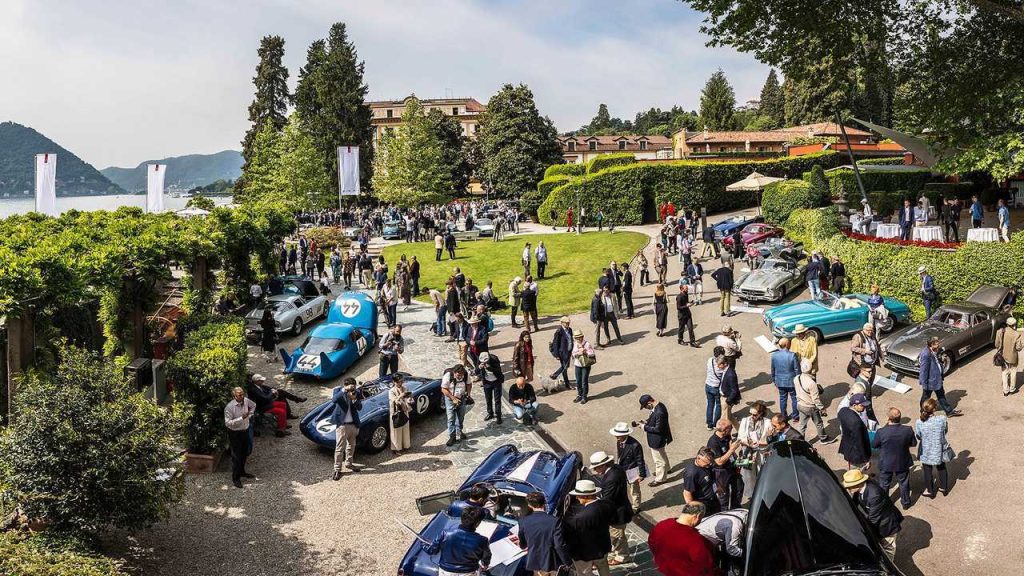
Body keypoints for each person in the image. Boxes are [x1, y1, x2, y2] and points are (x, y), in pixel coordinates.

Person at [842, 469, 903, 562]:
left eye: (849, 486)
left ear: (858, 484)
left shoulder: (874, 495)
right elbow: (855, 502)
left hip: (887, 524)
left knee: (888, 547)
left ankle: (889, 565)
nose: (848, 489)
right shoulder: (859, 489)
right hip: (879, 520)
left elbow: (873, 519)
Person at [562, 480, 616, 576]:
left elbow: (570, 537)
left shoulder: (579, 518)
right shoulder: (607, 504)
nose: (577, 498)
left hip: (584, 553)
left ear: (586, 496)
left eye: (578, 495)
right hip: (602, 546)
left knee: (584, 573)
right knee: (603, 566)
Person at [589, 451, 632, 566]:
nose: (596, 471)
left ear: (603, 465)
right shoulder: (617, 468)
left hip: (617, 513)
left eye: (596, 468)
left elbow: (607, 499)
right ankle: (619, 552)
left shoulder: (611, 479)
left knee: (617, 535)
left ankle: (622, 556)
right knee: (616, 535)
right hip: (620, 507)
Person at [424, 506, 492, 576]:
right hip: (468, 573)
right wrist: (485, 564)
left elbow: (432, 550)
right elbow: (486, 557)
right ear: (478, 523)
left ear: (461, 519)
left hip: (446, 572)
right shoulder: (482, 540)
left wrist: (423, 544)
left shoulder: (446, 534)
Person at [517, 492, 571, 576]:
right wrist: (567, 562)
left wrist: (522, 545)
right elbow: (559, 545)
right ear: (544, 503)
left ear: (529, 505)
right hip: (551, 561)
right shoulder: (555, 521)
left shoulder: (523, 521)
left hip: (534, 561)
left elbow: (523, 542)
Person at [872, 407, 917, 509]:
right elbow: (913, 443)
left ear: (888, 418)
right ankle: (905, 503)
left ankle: (884, 504)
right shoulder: (908, 430)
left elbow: (874, 445)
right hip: (902, 461)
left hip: (886, 462)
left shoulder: (881, 432)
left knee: (884, 484)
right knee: (904, 483)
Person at [916, 398, 952, 498]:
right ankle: (944, 488)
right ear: (934, 409)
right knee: (942, 468)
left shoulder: (919, 422)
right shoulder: (942, 419)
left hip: (926, 450)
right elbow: (945, 431)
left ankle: (930, 490)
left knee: (927, 471)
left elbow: (918, 436)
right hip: (939, 448)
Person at [794, 359, 836, 444]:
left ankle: (799, 441)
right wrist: (822, 408)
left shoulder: (796, 378)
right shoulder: (811, 383)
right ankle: (823, 438)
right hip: (810, 407)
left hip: (800, 404)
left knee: (802, 425)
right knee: (818, 423)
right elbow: (816, 399)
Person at [697, 508, 748, 576]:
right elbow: (731, 549)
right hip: (702, 540)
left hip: (705, 529)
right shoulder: (736, 526)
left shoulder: (745, 511)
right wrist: (749, 555)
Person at [610, 422, 647, 514]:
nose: (617, 437)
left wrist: (642, 474)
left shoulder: (635, 445)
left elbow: (640, 460)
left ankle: (636, 507)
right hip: (622, 468)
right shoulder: (619, 441)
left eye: (619, 435)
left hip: (632, 470)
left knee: (634, 489)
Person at [919, 336, 963, 415]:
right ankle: (923, 410)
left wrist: (941, 360)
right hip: (930, 381)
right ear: (932, 344)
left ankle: (949, 411)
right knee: (925, 397)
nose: (939, 344)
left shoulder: (935, 350)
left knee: (941, 395)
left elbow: (937, 360)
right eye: (937, 343)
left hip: (937, 379)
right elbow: (923, 370)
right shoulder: (926, 354)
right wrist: (923, 383)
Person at [330, 378, 363, 481]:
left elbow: (359, 407)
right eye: (351, 386)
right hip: (342, 425)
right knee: (339, 448)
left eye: (354, 386)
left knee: (351, 446)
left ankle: (349, 463)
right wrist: (344, 390)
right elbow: (334, 400)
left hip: (353, 424)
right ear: (346, 385)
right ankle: (337, 469)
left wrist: (354, 399)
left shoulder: (356, 393)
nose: (353, 388)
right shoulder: (338, 391)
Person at [737, 401, 771, 499]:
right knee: (748, 474)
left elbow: (768, 440)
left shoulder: (767, 422)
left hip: (761, 451)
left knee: (762, 471)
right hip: (748, 451)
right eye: (750, 413)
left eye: (754, 414)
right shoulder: (745, 420)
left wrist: (760, 442)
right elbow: (740, 436)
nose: (752, 416)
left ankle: (762, 491)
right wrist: (748, 443)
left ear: (761, 413)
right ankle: (751, 494)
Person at [224, 387, 257, 488]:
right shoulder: (229, 407)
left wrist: (250, 415)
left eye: (243, 394)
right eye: (239, 395)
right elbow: (228, 423)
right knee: (236, 456)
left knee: (245, 452)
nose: (242, 396)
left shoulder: (246, 401)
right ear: (234, 396)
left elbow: (254, 405)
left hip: (245, 431)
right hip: (235, 433)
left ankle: (242, 471)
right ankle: (235, 478)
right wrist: (241, 418)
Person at [707, 420, 743, 511]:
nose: (732, 429)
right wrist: (731, 450)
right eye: (730, 428)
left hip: (732, 467)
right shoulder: (713, 442)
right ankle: (724, 513)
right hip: (721, 472)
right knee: (723, 496)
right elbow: (719, 462)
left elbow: (730, 446)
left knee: (739, 487)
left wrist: (736, 458)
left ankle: (736, 508)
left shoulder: (727, 435)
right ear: (725, 430)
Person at [638, 394, 672, 487]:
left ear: (649, 402)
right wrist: (647, 422)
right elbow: (655, 420)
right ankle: (667, 469)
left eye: (645, 406)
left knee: (659, 460)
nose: (646, 408)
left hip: (657, 439)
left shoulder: (659, 412)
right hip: (660, 438)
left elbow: (658, 429)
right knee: (662, 454)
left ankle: (660, 478)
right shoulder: (659, 406)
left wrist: (644, 427)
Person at [838, 393, 872, 470]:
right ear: (854, 405)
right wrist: (866, 459)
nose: (864, 407)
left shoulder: (842, 411)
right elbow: (859, 442)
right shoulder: (856, 422)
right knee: (858, 474)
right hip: (856, 454)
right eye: (862, 405)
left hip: (847, 447)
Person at [770, 337, 800, 422]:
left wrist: (774, 380)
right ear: (787, 345)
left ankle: (783, 416)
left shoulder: (774, 355)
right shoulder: (792, 355)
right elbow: (797, 369)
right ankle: (795, 416)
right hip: (792, 382)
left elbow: (773, 369)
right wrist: (799, 380)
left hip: (780, 381)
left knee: (782, 399)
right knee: (794, 398)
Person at [683, 447, 720, 514]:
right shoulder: (691, 473)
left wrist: (719, 486)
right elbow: (687, 493)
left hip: (713, 500)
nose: (709, 465)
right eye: (707, 463)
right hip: (702, 504)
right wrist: (693, 510)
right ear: (698, 458)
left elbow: (712, 476)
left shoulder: (707, 465)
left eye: (710, 463)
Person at [441, 365, 471, 447]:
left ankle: (459, 431)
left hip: (461, 398)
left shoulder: (466, 375)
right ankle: (452, 437)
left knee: (461, 416)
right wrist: (453, 398)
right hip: (450, 399)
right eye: (458, 375)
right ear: (454, 373)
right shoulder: (448, 376)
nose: (460, 377)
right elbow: (443, 389)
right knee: (451, 418)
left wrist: (468, 394)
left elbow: (469, 384)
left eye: (461, 375)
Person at [995, 317, 1023, 395]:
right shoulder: (1017, 334)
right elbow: (1018, 348)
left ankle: (1005, 391)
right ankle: (1012, 389)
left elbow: (996, 344)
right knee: (1013, 372)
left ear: (1007, 324)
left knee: (1004, 373)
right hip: (1013, 357)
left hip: (1002, 357)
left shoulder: (999, 331)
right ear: (1014, 324)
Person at [475, 352, 504, 424]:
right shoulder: (480, 360)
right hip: (487, 382)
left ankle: (498, 416)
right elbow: (476, 371)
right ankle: (490, 413)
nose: (484, 363)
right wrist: (479, 367)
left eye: (486, 361)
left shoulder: (494, 359)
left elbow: (498, 370)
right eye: (483, 362)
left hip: (496, 381)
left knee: (497, 400)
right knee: (488, 399)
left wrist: (489, 368)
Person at [388, 374, 413, 454]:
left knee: (405, 429)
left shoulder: (405, 388)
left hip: (405, 410)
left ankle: (406, 445)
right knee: (396, 431)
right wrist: (401, 396)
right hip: (396, 413)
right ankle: (396, 448)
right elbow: (395, 400)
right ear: (394, 382)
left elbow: (409, 399)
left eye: (402, 381)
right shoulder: (391, 391)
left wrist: (410, 398)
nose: (401, 383)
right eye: (399, 382)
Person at [850, 323, 880, 387]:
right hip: (863, 363)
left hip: (872, 362)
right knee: (863, 381)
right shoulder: (858, 336)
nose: (870, 332)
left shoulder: (872, 334)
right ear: (864, 329)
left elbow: (876, 345)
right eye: (868, 330)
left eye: (871, 330)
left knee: (871, 379)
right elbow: (853, 348)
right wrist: (865, 351)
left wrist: (881, 355)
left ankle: (868, 393)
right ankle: (861, 394)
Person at [549, 316, 574, 391]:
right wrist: (556, 355)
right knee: (565, 367)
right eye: (566, 323)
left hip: (568, 351)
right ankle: (565, 382)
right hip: (562, 352)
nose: (568, 324)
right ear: (562, 323)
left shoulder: (570, 330)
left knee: (565, 367)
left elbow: (571, 339)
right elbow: (555, 344)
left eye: (568, 323)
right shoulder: (559, 331)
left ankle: (555, 375)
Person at [571, 329, 596, 404]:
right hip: (577, 365)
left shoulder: (587, 344)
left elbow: (592, 354)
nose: (578, 339)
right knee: (578, 381)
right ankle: (579, 394)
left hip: (585, 365)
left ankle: (584, 396)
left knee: (584, 381)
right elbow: (572, 354)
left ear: (582, 336)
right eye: (577, 337)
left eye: (580, 337)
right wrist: (578, 353)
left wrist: (585, 352)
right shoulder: (575, 344)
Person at [703, 352, 726, 430]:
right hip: (716, 387)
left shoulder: (710, 360)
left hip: (708, 385)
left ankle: (709, 424)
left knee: (710, 404)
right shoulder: (721, 368)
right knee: (718, 405)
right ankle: (715, 423)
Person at [718, 355, 740, 427]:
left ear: (725, 364)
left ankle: (726, 435)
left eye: (719, 364)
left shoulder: (730, 374)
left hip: (726, 398)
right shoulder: (725, 371)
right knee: (729, 417)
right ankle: (740, 431)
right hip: (723, 396)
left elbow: (734, 390)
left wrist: (728, 401)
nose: (718, 366)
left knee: (724, 421)